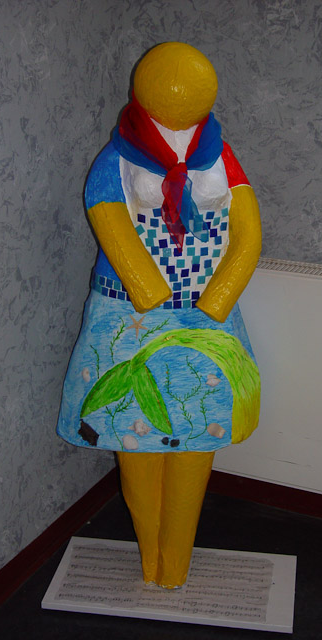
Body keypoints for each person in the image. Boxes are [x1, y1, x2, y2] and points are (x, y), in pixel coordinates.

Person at [57, 42, 261, 588]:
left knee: (197, 434)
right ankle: (151, 552)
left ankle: (178, 557)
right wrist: (148, 292)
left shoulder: (220, 157)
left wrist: (215, 301)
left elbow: (248, 234)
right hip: (127, 317)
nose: (179, 97)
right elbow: (110, 223)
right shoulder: (116, 159)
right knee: (135, 438)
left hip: (204, 320)